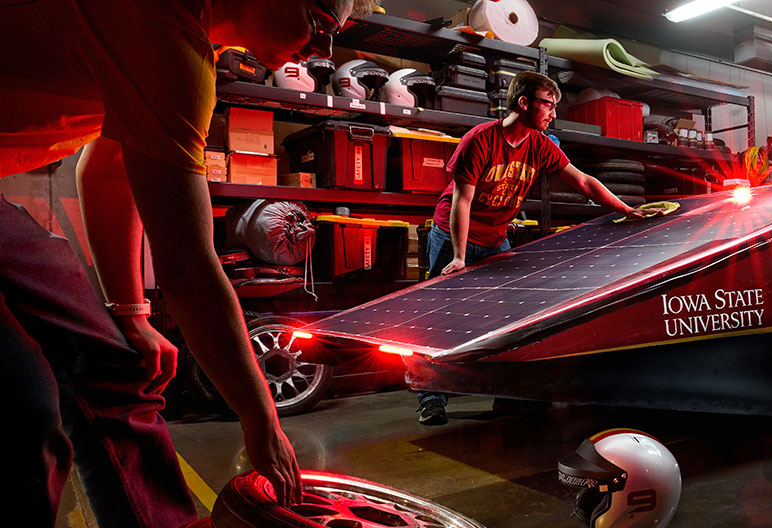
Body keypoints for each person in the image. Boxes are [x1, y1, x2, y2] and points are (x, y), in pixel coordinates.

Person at [0, 0, 379, 524]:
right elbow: (188, 267)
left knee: (114, 365)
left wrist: (132, 317)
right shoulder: (161, 31)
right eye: (319, 23)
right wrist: (260, 417)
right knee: (21, 412)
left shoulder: (184, 38)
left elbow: (109, 170)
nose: (325, 50)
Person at [415, 71, 646, 426]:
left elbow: (582, 180)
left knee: (507, 318)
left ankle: (508, 396)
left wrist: (623, 209)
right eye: (548, 105)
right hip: (452, 237)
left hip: (495, 239)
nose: (553, 113)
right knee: (441, 318)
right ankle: (432, 399)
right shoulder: (479, 140)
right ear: (524, 103)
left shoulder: (540, 144)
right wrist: (459, 257)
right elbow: (462, 200)